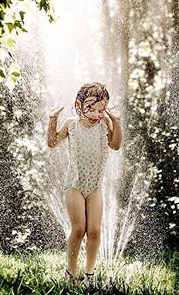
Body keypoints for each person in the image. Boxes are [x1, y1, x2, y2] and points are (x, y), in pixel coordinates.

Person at [46, 82, 122, 287]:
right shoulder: (72, 124)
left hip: (95, 185)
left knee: (95, 230)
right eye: (92, 108)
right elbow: (52, 142)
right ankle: (70, 273)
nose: (97, 114)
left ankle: (89, 276)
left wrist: (116, 121)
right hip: (74, 184)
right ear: (79, 105)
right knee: (79, 228)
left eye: (101, 109)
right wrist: (53, 119)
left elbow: (115, 145)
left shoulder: (104, 125)